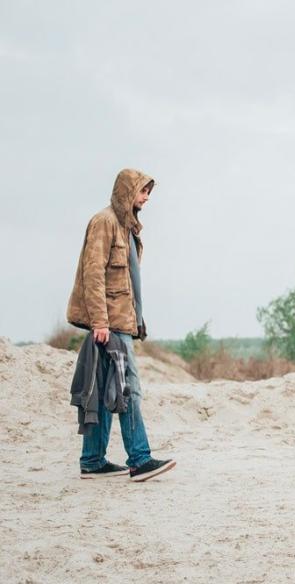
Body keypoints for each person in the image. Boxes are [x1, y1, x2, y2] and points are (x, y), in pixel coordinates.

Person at [67, 168, 176, 482]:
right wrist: (100, 320)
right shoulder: (104, 222)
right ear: (128, 192)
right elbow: (93, 274)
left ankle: (92, 460)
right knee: (127, 388)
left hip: (121, 322)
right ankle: (140, 459)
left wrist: (137, 322)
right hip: (109, 324)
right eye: (143, 192)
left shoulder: (127, 228)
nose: (146, 199)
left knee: (104, 391)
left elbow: (129, 282)